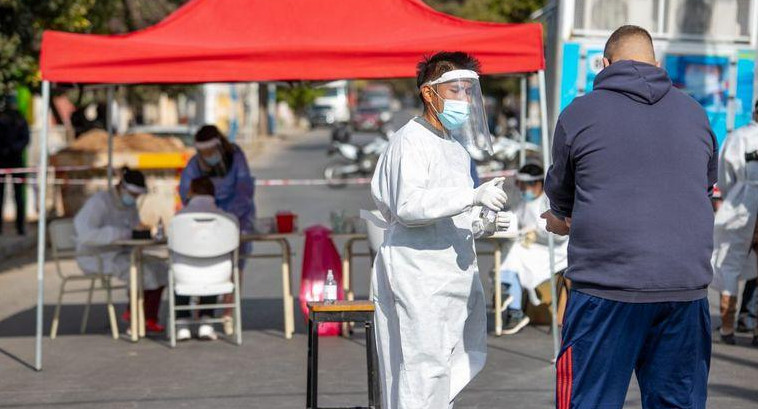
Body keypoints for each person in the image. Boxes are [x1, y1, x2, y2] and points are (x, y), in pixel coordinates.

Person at [544, 26, 717, 408]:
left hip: (607, 287)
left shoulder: (580, 113)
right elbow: (704, 191)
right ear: (657, 64)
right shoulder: (695, 113)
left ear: (604, 64)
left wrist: (559, 218)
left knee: (588, 400)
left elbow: (561, 196)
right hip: (685, 287)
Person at [371, 51, 510, 409]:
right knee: (421, 371)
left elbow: (454, 213)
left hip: (452, 275)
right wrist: (471, 196)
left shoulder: (455, 149)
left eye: (468, 91)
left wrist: (483, 221)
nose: (464, 100)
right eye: (456, 90)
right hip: (419, 275)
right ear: (429, 93)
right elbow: (408, 206)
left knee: (451, 365)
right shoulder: (410, 141)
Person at [179, 125, 255, 334]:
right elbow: (186, 192)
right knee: (205, 261)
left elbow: (244, 189)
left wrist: (227, 218)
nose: (207, 157)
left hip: (237, 218)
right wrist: (209, 212)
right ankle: (203, 313)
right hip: (207, 219)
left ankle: (228, 313)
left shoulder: (236, 158)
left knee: (235, 266)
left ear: (219, 146)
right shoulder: (195, 164)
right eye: (203, 154)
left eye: (210, 153)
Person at [74, 168, 168, 333]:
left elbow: (133, 228)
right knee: (144, 273)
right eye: (132, 195)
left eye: (136, 196)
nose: (133, 199)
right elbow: (85, 233)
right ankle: (136, 318)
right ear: (121, 187)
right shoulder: (99, 202)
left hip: (122, 252)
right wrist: (117, 234)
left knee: (161, 268)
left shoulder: (129, 206)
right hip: (96, 255)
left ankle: (149, 317)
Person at [498, 163, 568, 335]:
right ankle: (512, 301)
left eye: (523, 184)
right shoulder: (522, 202)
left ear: (537, 184)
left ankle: (512, 304)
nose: (520, 188)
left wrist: (537, 233)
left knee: (513, 254)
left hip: (553, 252)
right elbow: (515, 221)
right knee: (511, 251)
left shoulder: (548, 201)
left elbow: (561, 234)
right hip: (529, 249)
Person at [712, 100, 758, 346]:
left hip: (741, 203)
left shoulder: (739, 136)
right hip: (746, 201)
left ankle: (728, 327)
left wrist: (731, 198)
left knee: (728, 263)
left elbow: (724, 175)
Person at [174, 176, 239, 341]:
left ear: (191, 192)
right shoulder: (228, 220)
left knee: (181, 269)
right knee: (210, 265)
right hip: (219, 274)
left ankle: (181, 325)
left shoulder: (178, 220)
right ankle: (206, 322)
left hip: (183, 274)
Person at [0, 94, 30, 236]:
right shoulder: (2, 119)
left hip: (17, 160)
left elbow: (25, 139)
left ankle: (20, 227)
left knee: (19, 196)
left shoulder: (20, 119)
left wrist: (13, 148)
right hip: (2, 160)